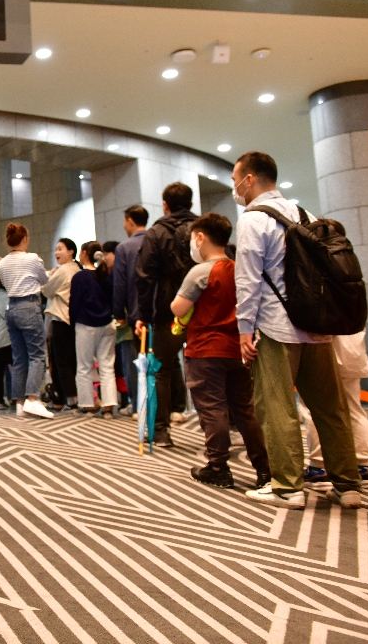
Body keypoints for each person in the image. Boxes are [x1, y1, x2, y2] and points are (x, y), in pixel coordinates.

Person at [232, 150, 361, 509]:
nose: (235, 187)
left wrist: (244, 329)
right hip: (318, 326)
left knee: (277, 408)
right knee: (330, 408)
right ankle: (347, 484)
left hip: (276, 326)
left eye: (234, 179)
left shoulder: (253, 220)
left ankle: (287, 486)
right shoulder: (306, 214)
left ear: (250, 179)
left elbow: (248, 280)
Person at [169, 213, 270, 490]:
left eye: (193, 239)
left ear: (200, 238)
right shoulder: (241, 269)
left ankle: (218, 467)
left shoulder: (201, 272)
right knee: (245, 411)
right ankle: (264, 469)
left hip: (205, 351)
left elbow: (177, 308)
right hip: (238, 349)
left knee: (213, 411)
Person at [298, 223, 368, 490]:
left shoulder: (318, 270)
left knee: (316, 409)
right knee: (354, 407)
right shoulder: (351, 266)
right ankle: (364, 466)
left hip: (329, 347)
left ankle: (319, 466)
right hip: (354, 345)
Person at [135, 183, 197, 447]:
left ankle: (161, 431)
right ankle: (225, 427)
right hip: (201, 307)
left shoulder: (157, 232)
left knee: (161, 369)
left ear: (165, 204)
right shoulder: (203, 228)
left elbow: (145, 276)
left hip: (166, 310)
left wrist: (144, 313)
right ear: (191, 203)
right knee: (213, 368)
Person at [0, 223, 53, 419]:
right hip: (29, 305)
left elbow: (6, 284)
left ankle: (19, 403)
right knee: (37, 355)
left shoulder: (2, 263)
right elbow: (44, 280)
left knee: (19, 358)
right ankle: (32, 399)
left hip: (11, 309)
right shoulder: (32, 258)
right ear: (25, 239)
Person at [69, 241, 117, 416]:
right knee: (107, 366)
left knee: (84, 366)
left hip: (86, 324)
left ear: (83, 254)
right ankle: (109, 406)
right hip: (107, 324)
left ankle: (87, 405)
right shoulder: (105, 275)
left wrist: (72, 321)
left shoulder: (80, 277)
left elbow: (74, 303)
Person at [114, 206, 149, 413]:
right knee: (164, 363)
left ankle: (141, 406)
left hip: (137, 314)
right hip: (162, 312)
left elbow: (120, 284)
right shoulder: (157, 241)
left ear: (129, 221)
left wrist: (119, 313)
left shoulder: (125, 248)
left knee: (139, 362)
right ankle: (172, 408)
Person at [42, 238, 80, 410]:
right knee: (72, 360)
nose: (57, 252)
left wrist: (50, 275)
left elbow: (46, 290)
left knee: (60, 362)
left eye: (60, 249)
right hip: (74, 320)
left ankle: (68, 399)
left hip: (61, 319)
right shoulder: (78, 269)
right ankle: (69, 398)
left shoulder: (63, 270)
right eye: (56, 249)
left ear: (71, 251)